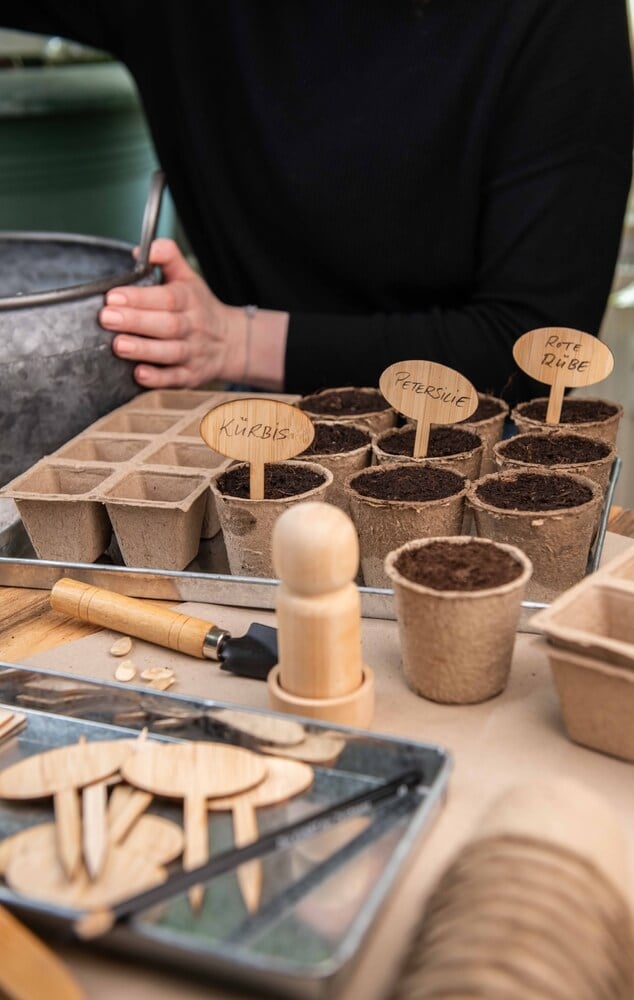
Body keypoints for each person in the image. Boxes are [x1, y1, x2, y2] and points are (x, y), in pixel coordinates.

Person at [4, 2, 634, 404]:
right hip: (249, 427)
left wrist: (233, 342)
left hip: (475, 442)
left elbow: (532, 348)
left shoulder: (558, 19)